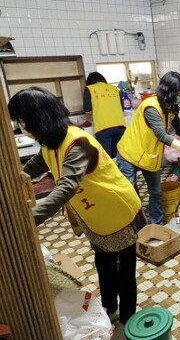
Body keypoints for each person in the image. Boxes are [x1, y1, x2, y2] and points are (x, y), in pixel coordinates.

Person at [8, 87, 146, 325]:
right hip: (96, 216)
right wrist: (10, 184)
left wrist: (26, 220)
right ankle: (110, 308)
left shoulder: (76, 142)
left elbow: (66, 187)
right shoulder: (51, 144)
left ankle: (128, 317)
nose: (22, 127)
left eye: (22, 121)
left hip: (118, 211)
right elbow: (30, 170)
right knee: (104, 264)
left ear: (37, 120)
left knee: (124, 268)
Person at [116, 71, 180, 225]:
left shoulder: (169, 106)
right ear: (169, 92)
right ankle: (132, 231)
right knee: (129, 195)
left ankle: (156, 227)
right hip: (129, 154)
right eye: (178, 93)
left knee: (156, 192)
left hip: (149, 156)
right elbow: (162, 135)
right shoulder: (151, 107)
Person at [83, 72, 126, 158]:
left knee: (107, 158)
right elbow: (122, 108)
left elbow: (87, 111)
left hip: (103, 128)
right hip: (120, 126)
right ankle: (119, 171)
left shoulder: (89, 89)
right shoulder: (115, 89)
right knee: (118, 157)